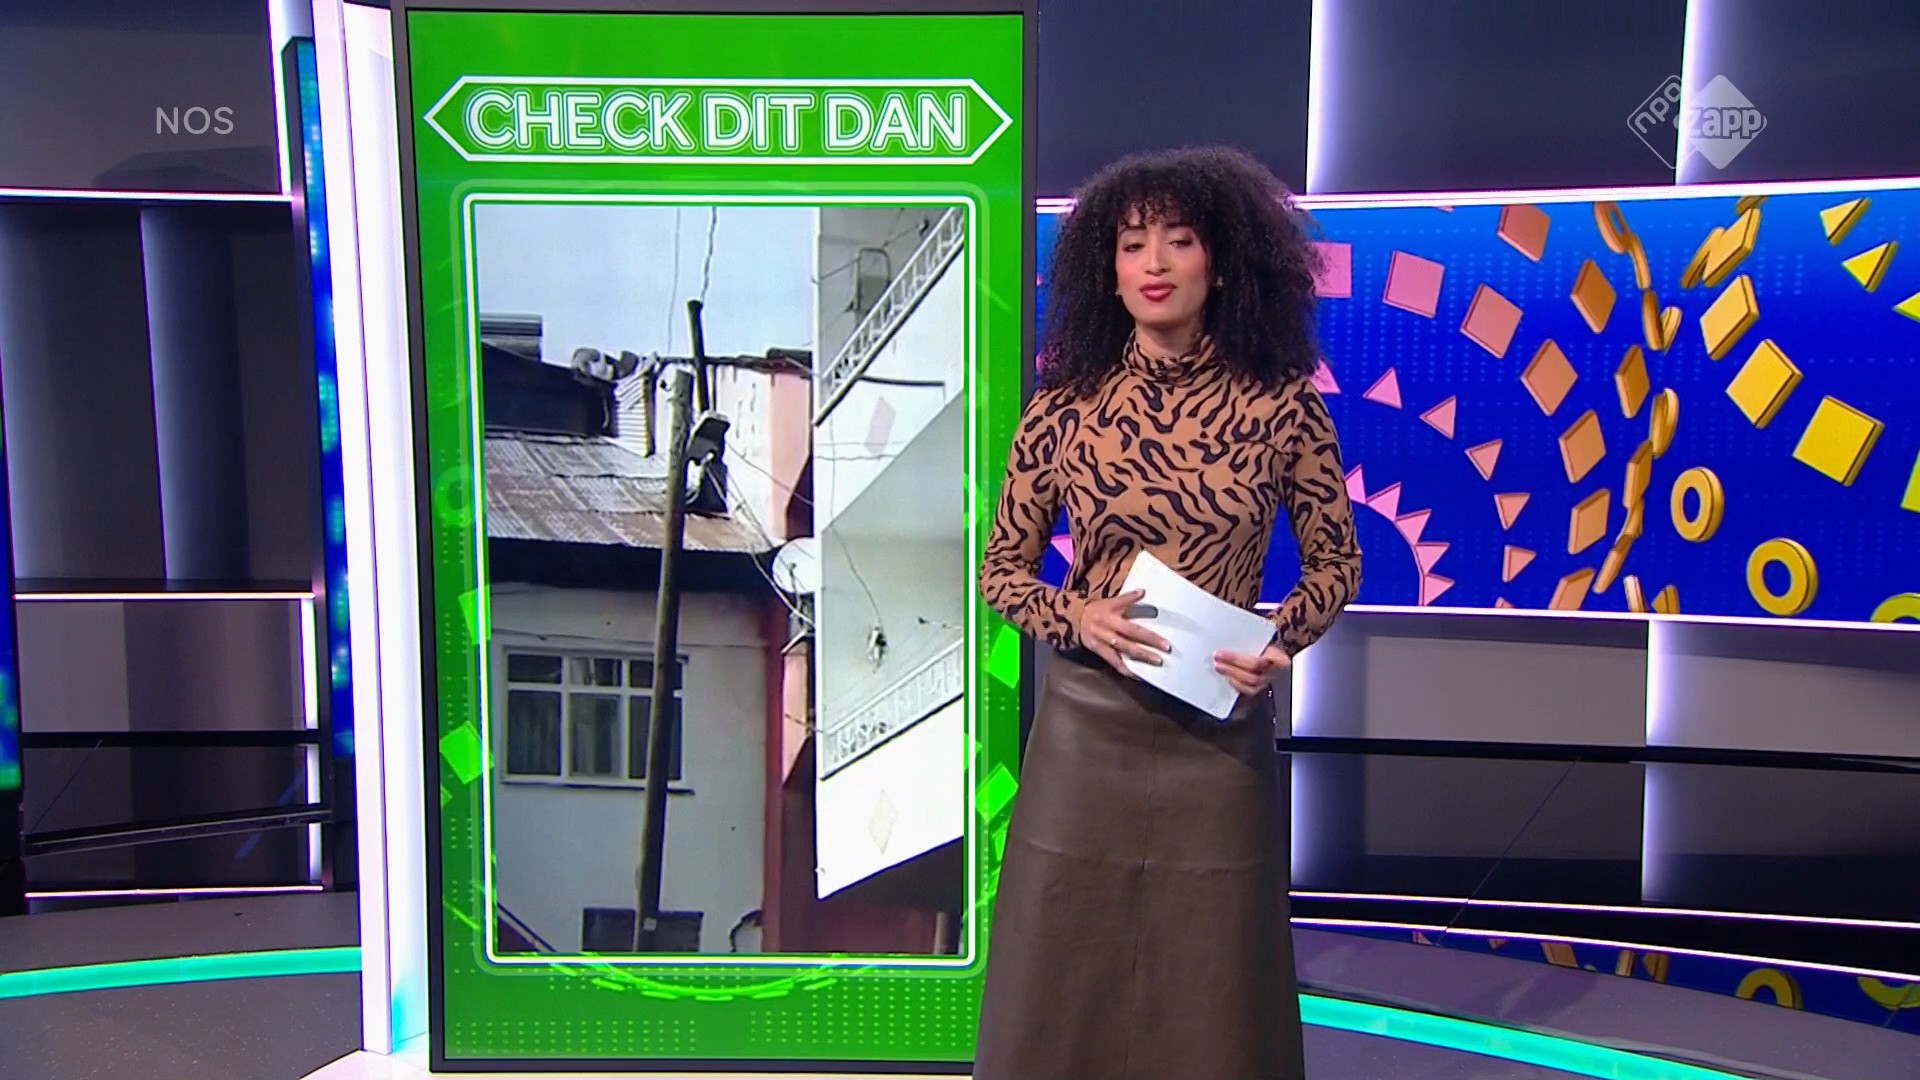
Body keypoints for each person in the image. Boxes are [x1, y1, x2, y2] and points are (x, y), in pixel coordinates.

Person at [973, 146, 1361, 1079]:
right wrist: (1078, 617)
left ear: (1219, 263)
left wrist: (1280, 641)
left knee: (1213, 977)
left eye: (1178, 241)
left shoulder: (1282, 406)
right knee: (1062, 965)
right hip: (1087, 729)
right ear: (1105, 270)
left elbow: (1336, 562)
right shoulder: (1062, 410)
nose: (1153, 263)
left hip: (1217, 732)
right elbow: (1002, 572)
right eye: (1131, 244)